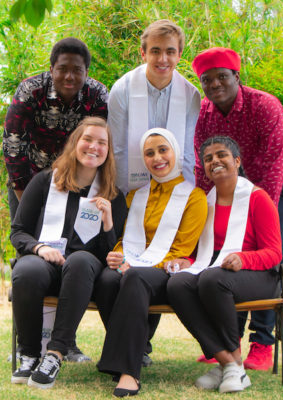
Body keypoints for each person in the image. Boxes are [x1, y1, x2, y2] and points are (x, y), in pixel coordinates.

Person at [191, 47, 283, 370]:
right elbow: (202, 169)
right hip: (232, 187)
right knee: (231, 253)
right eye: (207, 80)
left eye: (222, 77)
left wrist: (255, 211)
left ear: (237, 77)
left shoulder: (265, 105)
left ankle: (263, 343)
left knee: (266, 255)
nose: (214, 85)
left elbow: (273, 164)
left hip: (280, 183)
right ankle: (230, 340)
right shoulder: (204, 113)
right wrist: (201, 213)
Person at [3, 37, 109, 362]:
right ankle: (27, 345)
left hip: (78, 184)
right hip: (31, 183)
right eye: (62, 69)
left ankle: (67, 342)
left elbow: (99, 139)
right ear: (52, 68)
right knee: (32, 259)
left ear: (86, 72)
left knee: (74, 259)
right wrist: (32, 198)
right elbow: (13, 145)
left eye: (77, 71)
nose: (69, 77)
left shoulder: (97, 95)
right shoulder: (29, 91)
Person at [108, 19, 201, 365]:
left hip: (175, 191)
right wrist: (130, 201)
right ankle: (138, 343)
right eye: (156, 51)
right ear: (143, 52)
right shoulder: (122, 89)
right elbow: (118, 148)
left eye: (171, 51)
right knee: (131, 259)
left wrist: (182, 196)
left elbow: (188, 151)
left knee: (158, 259)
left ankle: (139, 342)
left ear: (179, 54)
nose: (163, 58)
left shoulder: (190, 94)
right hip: (131, 191)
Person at [10, 117, 127, 389]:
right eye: (88, 139)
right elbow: (19, 231)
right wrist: (39, 247)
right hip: (46, 263)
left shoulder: (113, 196)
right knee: (27, 270)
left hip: (85, 272)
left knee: (80, 259)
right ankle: (28, 353)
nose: (93, 147)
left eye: (102, 143)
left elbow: (112, 255)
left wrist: (108, 223)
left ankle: (55, 353)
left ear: (108, 151)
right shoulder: (44, 182)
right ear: (75, 143)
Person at [93, 128, 207, 397]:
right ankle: (137, 347)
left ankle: (129, 371)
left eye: (163, 150)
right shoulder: (135, 195)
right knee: (108, 279)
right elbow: (125, 237)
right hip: (132, 266)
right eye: (149, 153)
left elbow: (181, 249)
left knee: (134, 277)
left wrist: (139, 266)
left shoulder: (194, 197)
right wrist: (118, 256)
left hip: (167, 272)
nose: (157, 158)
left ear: (176, 152)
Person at [167, 136, 282, 393]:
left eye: (221, 155)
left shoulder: (257, 198)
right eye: (208, 159)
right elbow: (206, 254)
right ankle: (228, 363)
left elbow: (274, 253)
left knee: (212, 279)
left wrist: (244, 258)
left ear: (237, 161)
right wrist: (186, 262)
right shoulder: (205, 202)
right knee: (178, 284)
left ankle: (233, 365)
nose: (214, 161)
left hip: (260, 275)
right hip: (220, 270)